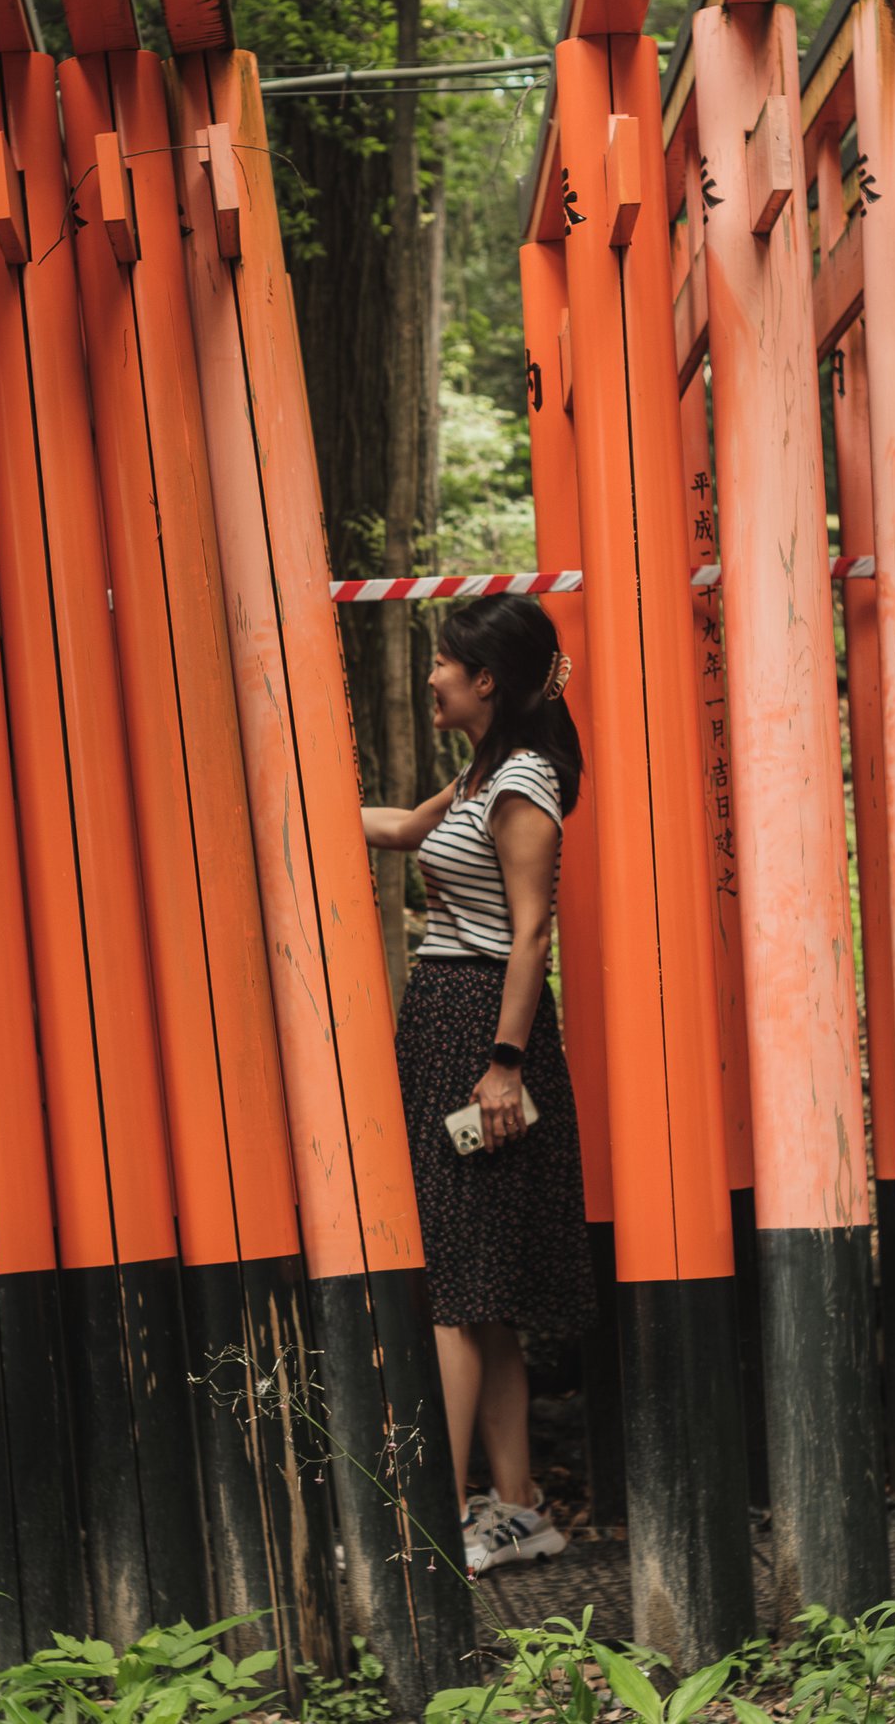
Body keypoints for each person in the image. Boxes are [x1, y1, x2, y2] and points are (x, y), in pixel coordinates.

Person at [363, 593, 592, 1577]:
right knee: (480, 1286)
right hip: (449, 1024)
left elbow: (531, 929)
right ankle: (520, 1506)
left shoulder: (524, 782)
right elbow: (401, 830)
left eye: (443, 663)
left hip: (482, 1038)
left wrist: (503, 1063)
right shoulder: (477, 774)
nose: (431, 676)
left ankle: (429, 1517)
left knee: (457, 1288)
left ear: (485, 678)